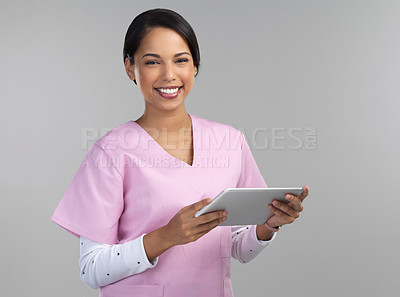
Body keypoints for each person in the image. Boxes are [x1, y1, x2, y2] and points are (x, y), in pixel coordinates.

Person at [51, 8, 309, 297]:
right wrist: (166, 236)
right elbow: (92, 269)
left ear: (195, 66)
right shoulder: (111, 152)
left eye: (181, 60)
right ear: (129, 67)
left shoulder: (229, 140)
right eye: (152, 62)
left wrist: (267, 226)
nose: (169, 75)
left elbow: (238, 248)